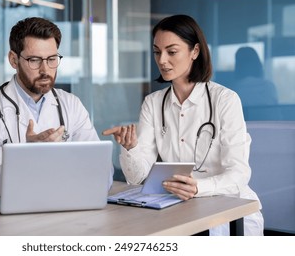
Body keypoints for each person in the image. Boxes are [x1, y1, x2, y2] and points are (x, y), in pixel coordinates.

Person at [103, 14, 264, 236]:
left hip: (228, 209)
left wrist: (198, 187)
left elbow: (239, 173)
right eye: (157, 52)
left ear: (195, 52)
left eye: (172, 51)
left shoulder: (225, 100)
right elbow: (138, 178)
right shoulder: (153, 103)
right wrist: (130, 148)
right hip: (178, 210)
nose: (162, 60)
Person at [0, 17, 111, 203]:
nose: (45, 69)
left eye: (52, 59)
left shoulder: (71, 104)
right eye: (34, 60)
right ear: (13, 60)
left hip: (60, 203)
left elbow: (101, 170)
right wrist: (28, 156)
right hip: (0, 215)